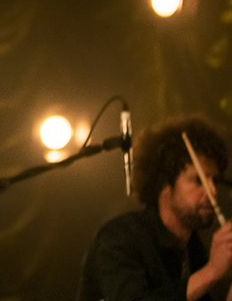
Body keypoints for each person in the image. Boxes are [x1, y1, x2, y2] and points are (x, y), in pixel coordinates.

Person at [77, 116, 232, 301]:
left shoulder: (194, 250)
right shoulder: (120, 237)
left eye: (214, 181)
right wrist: (212, 272)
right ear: (165, 185)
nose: (213, 191)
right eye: (198, 180)